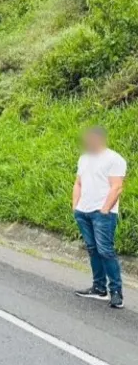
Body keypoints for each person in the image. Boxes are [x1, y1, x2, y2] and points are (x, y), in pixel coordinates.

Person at [73, 126, 126, 309]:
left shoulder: (114, 159)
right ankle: (99, 288)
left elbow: (117, 187)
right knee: (92, 249)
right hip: (83, 211)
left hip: (102, 213)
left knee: (105, 251)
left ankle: (116, 292)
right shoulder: (84, 158)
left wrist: (105, 209)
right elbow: (78, 183)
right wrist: (76, 207)